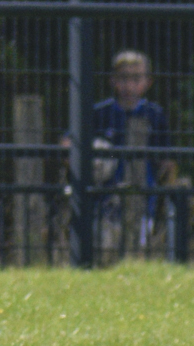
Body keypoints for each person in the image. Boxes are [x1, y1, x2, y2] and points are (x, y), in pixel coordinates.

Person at [69, 50, 174, 257]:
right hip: (103, 200)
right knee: (104, 253)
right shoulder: (99, 113)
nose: (129, 86)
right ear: (113, 81)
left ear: (148, 82)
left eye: (136, 79)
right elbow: (70, 142)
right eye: (123, 78)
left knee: (137, 253)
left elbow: (166, 159)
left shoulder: (155, 114)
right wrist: (101, 158)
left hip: (144, 198)